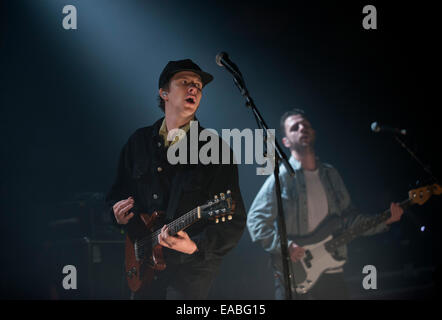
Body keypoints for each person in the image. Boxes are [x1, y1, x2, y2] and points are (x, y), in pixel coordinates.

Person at [106, 59, 246, 299]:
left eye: (198, 86)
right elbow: (115, 196)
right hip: (142, 266)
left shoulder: (215, 150)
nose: (194, 88)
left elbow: (234, 221)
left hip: (189, 273)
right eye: (185, 82)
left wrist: (195, 246)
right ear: (164, 93)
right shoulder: (138, 142)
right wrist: (116, 215)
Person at [247, 108, 404, 300]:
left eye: (306, 125)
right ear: (286, 142)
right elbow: (255, 220)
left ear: (313, 132)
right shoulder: (281, 177)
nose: (302, 128)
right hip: (294, 271)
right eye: (295, 127)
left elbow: (349, 219)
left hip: (332, 265)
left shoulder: (331, 175)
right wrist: (285, 246)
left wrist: (385, 220)